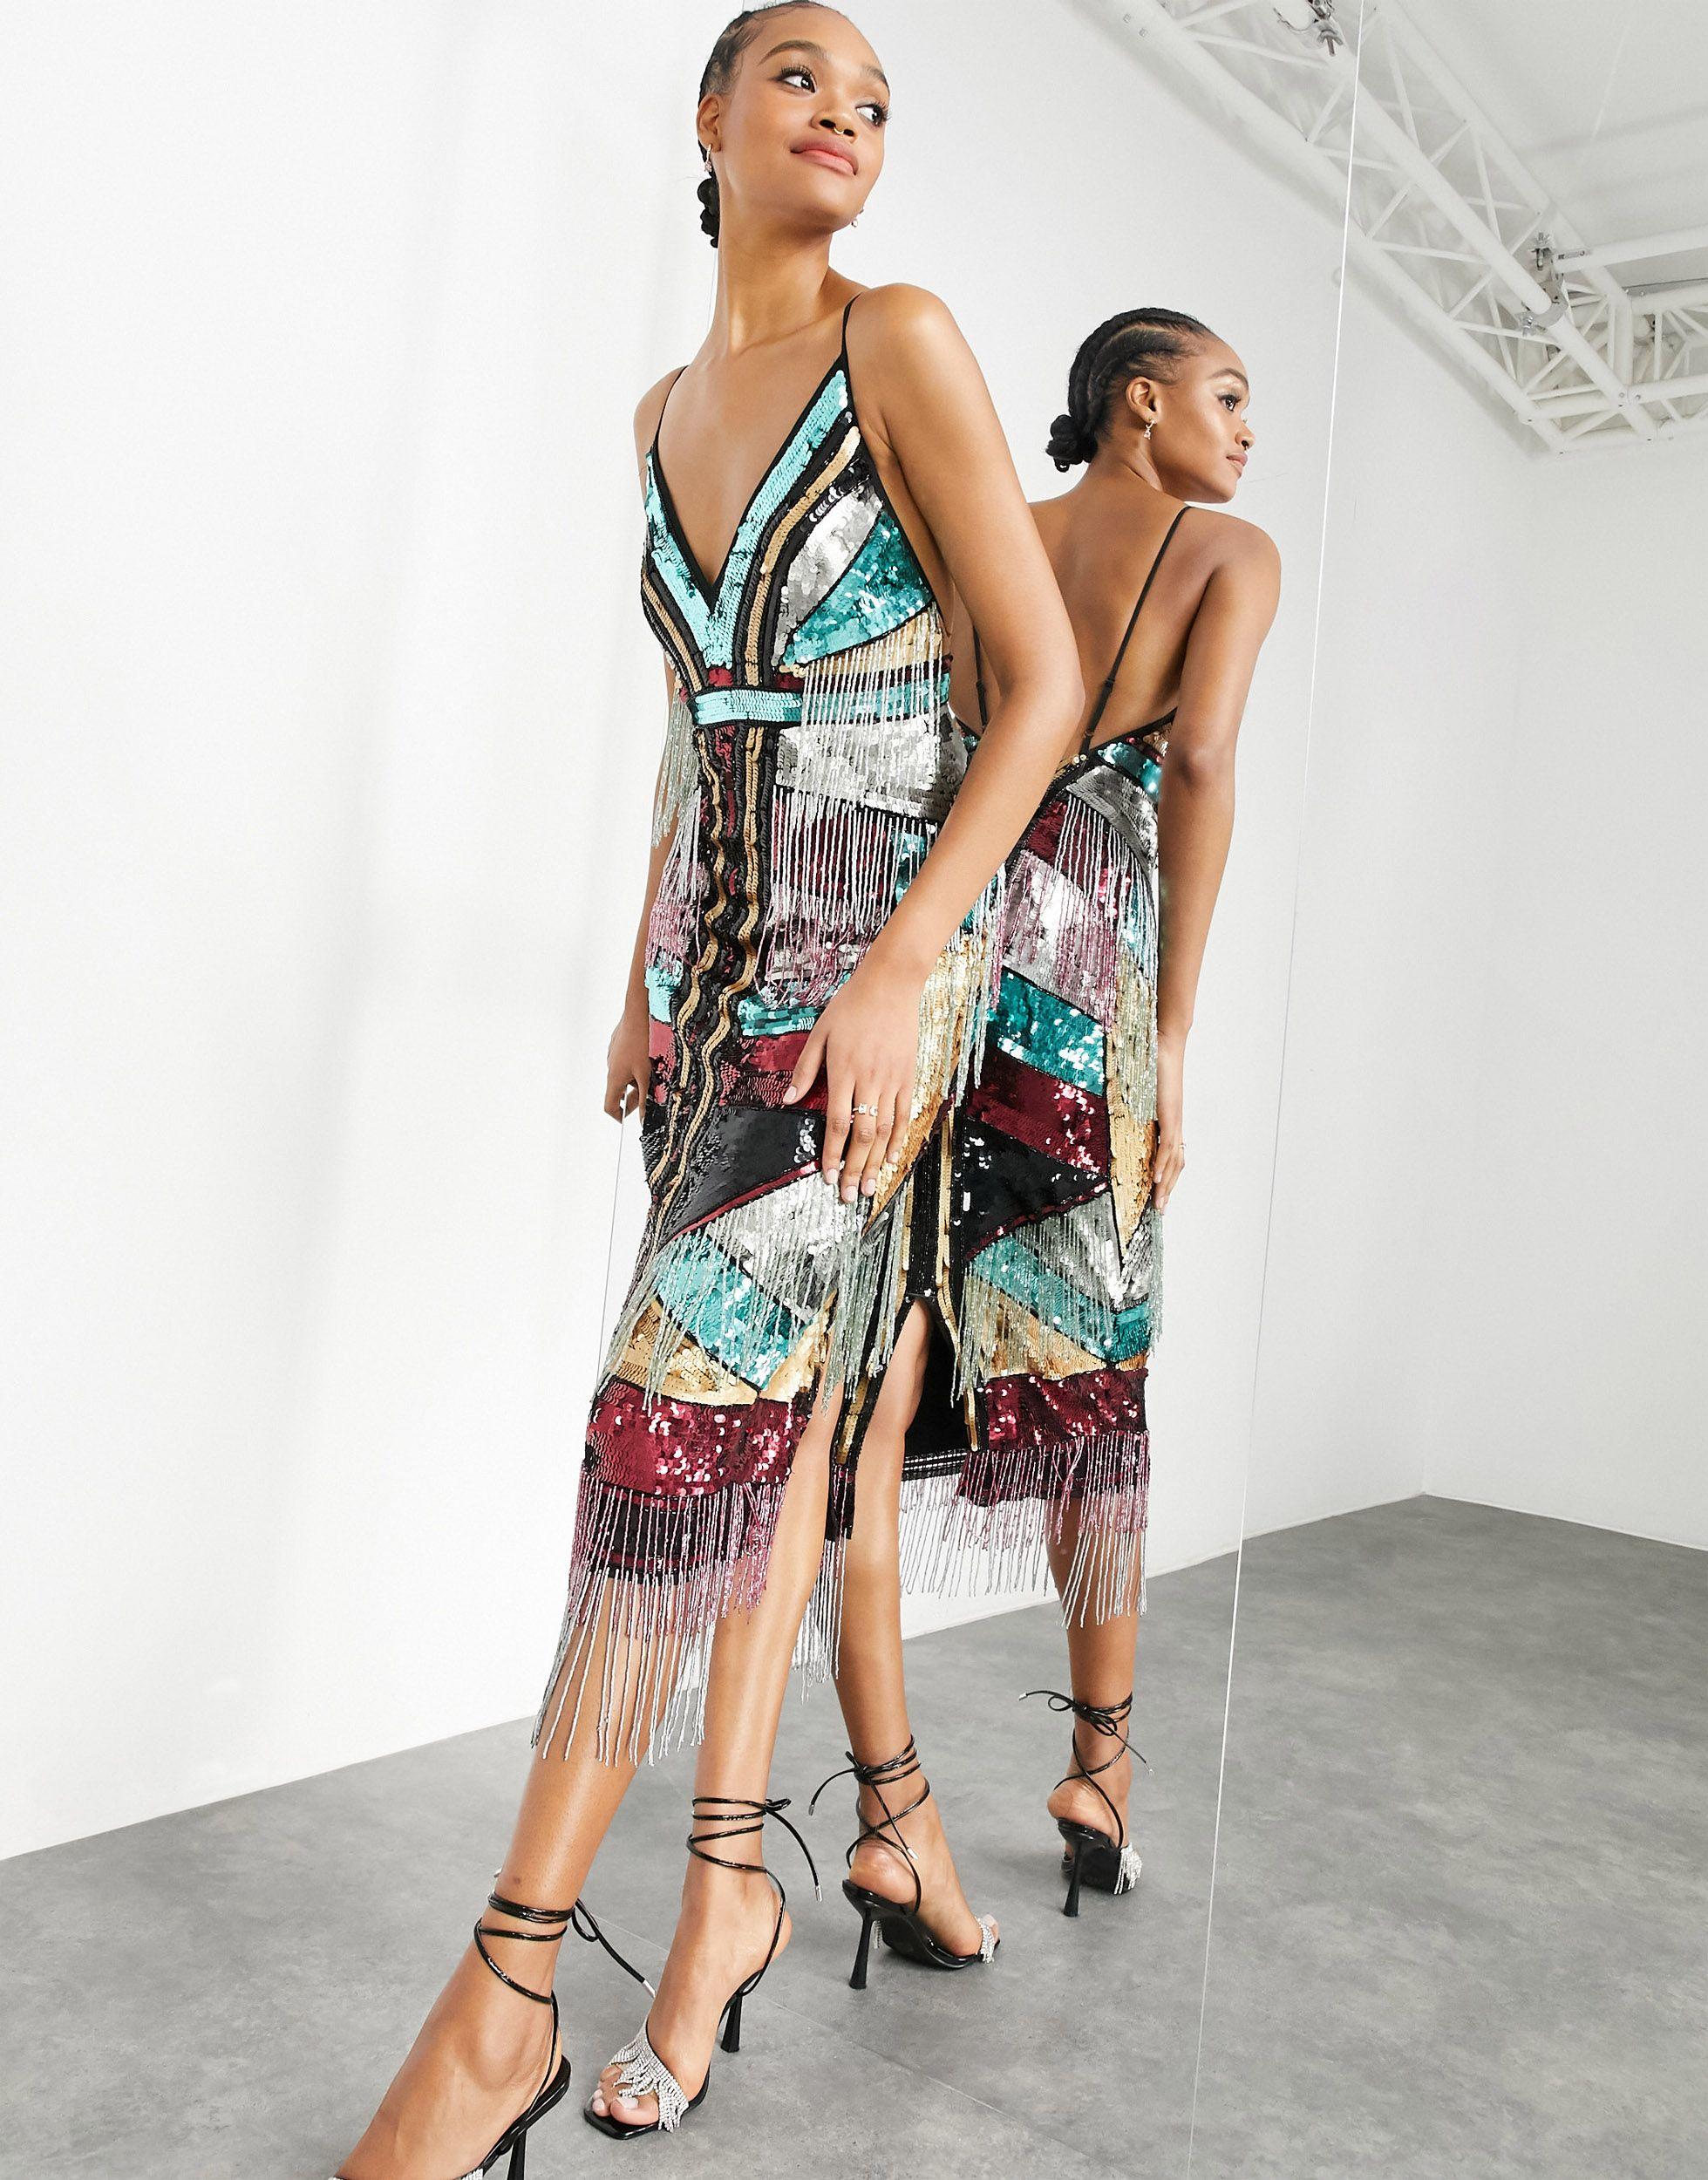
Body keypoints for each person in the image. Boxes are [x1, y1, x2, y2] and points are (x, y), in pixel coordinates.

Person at [332, 6, 1081, 2170]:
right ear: (709, 116)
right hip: (716, 998)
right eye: (801, 79)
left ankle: (502, 1990)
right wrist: (638, 970)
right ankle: (729, 1893)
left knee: (658, 1432)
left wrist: (907, 968)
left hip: (870, 994)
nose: (845, 114)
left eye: (874, 99)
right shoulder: (657, 410)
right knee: (751, 1453)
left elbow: (1034, 683)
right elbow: (697, 723)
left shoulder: (896, 338)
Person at [923, 307, 1281, 1916]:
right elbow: (1195, 766)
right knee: (1098, 1370)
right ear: (1141, 401)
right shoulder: (1230, 555)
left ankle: (879, 1796)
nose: (1246, 431)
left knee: (903, 1336)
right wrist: (1175, 1038)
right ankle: (1100, 1759)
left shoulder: (998, 531)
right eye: (1227, 395)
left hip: (952, 945)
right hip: (1083, 980)